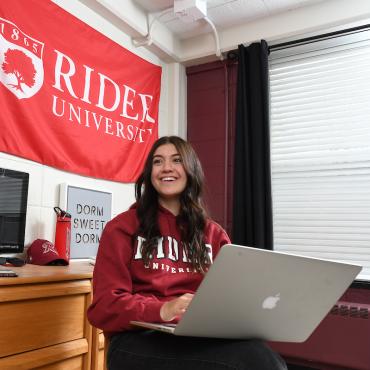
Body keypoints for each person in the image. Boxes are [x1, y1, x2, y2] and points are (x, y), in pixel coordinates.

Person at [87, 136, 287, 370]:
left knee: (260, 355)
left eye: (177, 160)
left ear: (191, 170)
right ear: (150, 172)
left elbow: (227, 300)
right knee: (254, 363)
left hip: (196, 338)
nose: (167, 168)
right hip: (138, 339)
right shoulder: (121, 228)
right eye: (158, 161)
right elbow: (105, 305)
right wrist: (164, 309)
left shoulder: (214, 234)